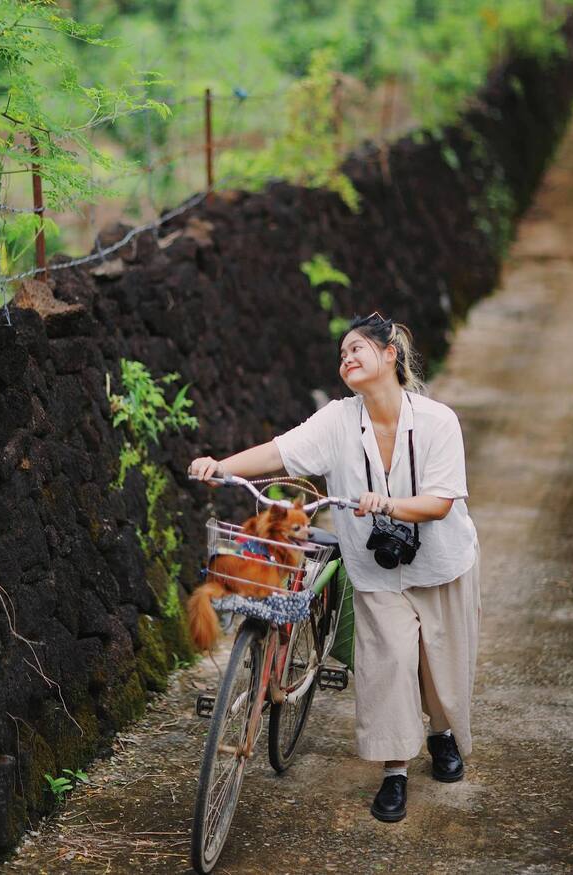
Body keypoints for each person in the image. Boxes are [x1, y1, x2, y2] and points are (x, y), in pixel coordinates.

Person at [189, 312, 480, 823]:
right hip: (376, 569)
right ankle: (395, 770)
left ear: (389, 353)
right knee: (389, 662)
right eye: (341, 354)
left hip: (442, 562)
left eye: (356, 349)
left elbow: (438, 504)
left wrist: (388, 505)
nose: (346, 359)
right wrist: (222, 466)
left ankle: (441, 735)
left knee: (437, 662)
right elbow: (279, 451)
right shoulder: (338, 420)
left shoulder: (439, 421)